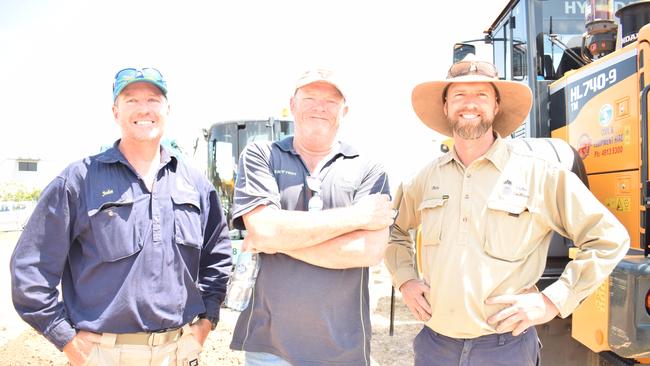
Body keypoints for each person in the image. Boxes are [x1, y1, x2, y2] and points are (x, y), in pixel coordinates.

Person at [385, 58, 630, 365]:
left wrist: (552, 301)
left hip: (506, 349)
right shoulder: (424, 179)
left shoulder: (539, 174)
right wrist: (405, 279)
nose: (470, 104)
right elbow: (392, 231)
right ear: (445, 106)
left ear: (496, 105)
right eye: (459, 95)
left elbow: (609, 238)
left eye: (482, 95)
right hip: (436, 346)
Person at [10, 67, 232, 366]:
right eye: (131, 100)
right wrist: (65, 337)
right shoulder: (79, 181)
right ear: (115, 111)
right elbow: (30, 270)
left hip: (180, 352)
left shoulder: (195, 184)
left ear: (168, 109)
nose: (144, 109)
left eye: (153, 100)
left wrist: (206, 322)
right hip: (103, 355)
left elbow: (217, 260)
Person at [229, 68, 394, 366]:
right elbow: (264, 229)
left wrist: (278, 240)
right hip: (270, 347)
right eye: (310, 97)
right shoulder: (261, 155)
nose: (320, 106)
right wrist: (356, 217)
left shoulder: (368, 170)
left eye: (331, 100)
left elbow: (368, 251)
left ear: (344, 110)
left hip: (344, 347)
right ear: (292, 104)